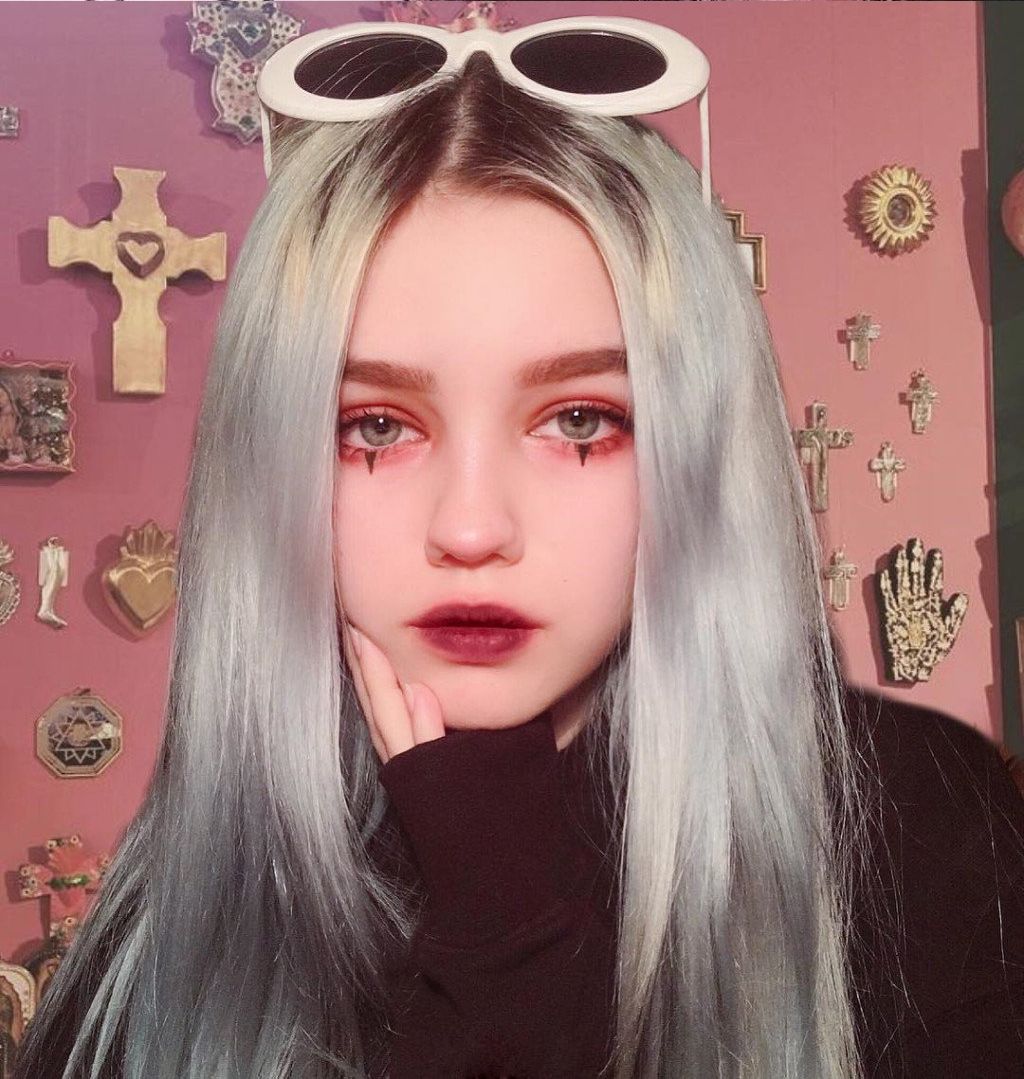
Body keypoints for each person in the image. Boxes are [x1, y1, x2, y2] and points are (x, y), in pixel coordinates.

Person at [14, 16, 1024, 1079]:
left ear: (694, 445)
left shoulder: (915, 823)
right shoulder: (178, 911)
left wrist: (513, 943)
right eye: (376, 426)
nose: (470, 528)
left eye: (580, 421)